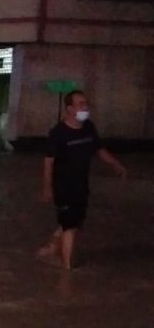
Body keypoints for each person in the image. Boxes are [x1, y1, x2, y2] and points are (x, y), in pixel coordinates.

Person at [39, 89, 126, 269]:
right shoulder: (58, 132)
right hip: (63, 186)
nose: (85, 107)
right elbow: (48, 162)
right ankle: (67, 268)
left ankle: (53, 245)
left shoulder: (88, 127)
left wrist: (116, 165)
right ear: (70, 109)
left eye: (86, 104)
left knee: (76, 221)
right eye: (81, 104)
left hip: (81, 184)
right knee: (70, 226)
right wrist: (47, 188)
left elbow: (99, 149)